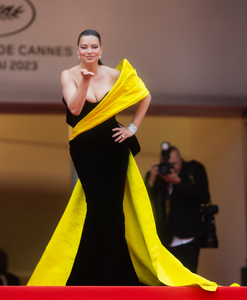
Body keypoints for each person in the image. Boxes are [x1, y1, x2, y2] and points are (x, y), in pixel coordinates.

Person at [27, 29, 218, 291]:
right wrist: (85, 81)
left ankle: (118, 277)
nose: (89, 51)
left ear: (101, 50)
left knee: (114, 209)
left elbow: (145, 96)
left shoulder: (116, 75)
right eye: (84, 47)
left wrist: (132, 129)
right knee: (96, 207)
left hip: (114, 146)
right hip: (84, 148)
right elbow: (74, 109)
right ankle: (89, 277)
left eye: (94, 47)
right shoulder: (68, 74)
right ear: (78, 50)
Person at [145, 143, 210, 273]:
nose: (171, 168)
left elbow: (204, 197)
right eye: (167, 164)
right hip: (164, 240)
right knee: (165, 285)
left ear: (181, 160)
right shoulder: (156, 176)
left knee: (187, 283)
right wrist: (151, 180)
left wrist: (179, 182)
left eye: (174, 164)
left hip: (189, 238)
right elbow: (144, 202)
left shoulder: (193, 169)